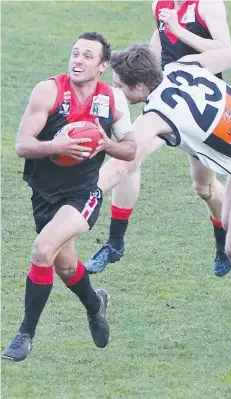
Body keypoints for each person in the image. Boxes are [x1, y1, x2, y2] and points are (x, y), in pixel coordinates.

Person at [91, 42, 231, 351]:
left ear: (140, 85)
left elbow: (120, 167)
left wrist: (83, 194)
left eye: (120, 85)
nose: (117, 91)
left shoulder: (154, 116)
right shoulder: (184, 66)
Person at [1, 32, 136, 362]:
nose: (78, 59)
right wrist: (54, 147)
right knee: (64, 266)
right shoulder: (49, 90)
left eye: (88, 56)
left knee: (43, 249)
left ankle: (24, 334)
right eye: (75, 53)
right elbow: (22, 145)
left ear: (103, 65)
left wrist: (107, 144)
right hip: (45, 193)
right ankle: (95, 303)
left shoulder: (112, 101)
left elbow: (130, 149)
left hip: (83, 193)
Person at [86, 0, 231, 277]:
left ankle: (223, 242)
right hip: (165, 106)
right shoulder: (160, 5)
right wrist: (134, 73)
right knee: (127, 157)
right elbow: (158, 46)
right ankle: (113, 241)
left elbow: (226, 50)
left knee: (204, 188)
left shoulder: (208, 5)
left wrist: (180, 30)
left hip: (201, 113)